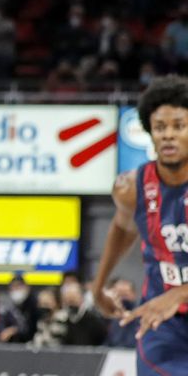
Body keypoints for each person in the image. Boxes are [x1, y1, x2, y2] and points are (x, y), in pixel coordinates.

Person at [90, 75, 188, 373]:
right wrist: (98, 287)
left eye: (179, 126)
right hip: (161, 321)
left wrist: (181, 293)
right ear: (149, 132)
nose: (168, 135)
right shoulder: (130, 188)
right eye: (160, 127)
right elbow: (122, 227)